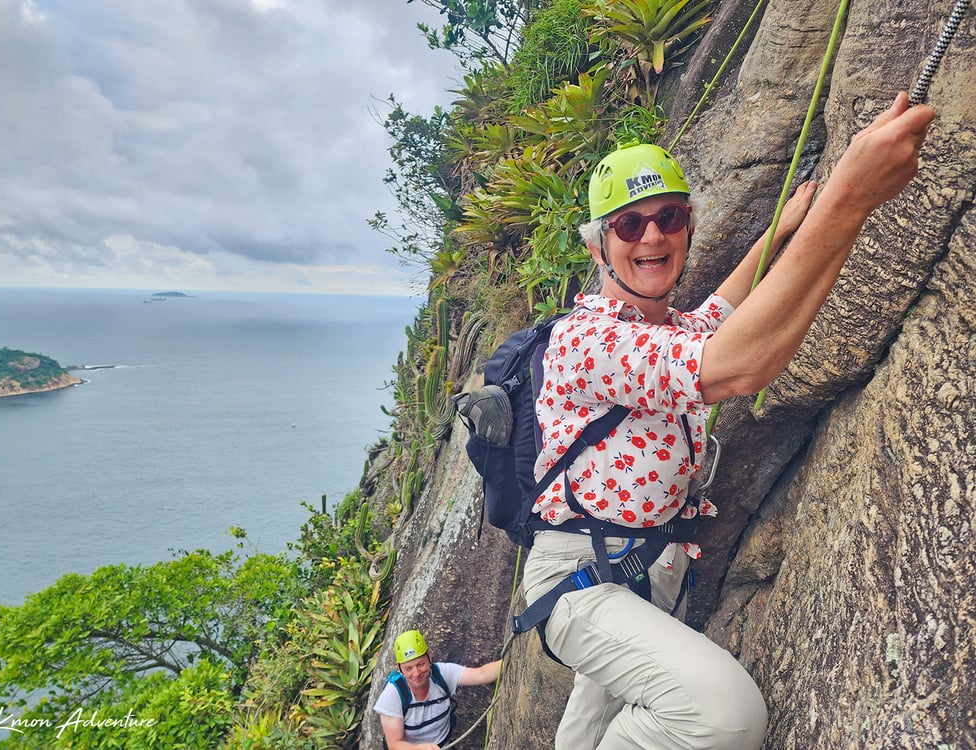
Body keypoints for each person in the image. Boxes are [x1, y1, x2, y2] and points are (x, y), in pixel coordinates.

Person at [520, 91, 935, 750]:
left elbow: (721, 307)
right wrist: (849, 198)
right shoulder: (587, 339)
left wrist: (787, 226)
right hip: (582, 583)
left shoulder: (670, 327)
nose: (652, 235)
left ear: (688, 226)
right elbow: (741, 365)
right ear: (598, 247)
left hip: (641, 573)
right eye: (629, 226)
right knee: (726, 715)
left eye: (670, 216)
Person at [374, 629, 501, 750]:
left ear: (429, 656)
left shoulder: (441, 675)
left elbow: (481, 674)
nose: (416, 673)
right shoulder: (393, 695)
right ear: (399, 668)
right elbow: (394, 744)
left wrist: (508, 660)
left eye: (420, 664)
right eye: (408, 668)